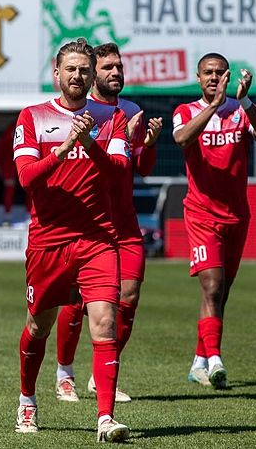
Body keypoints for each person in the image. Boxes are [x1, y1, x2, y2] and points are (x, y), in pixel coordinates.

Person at [12, 38, 131, 442]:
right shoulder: (32, 116)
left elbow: (118, 173)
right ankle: (27, 400)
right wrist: (65, 147)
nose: (78, 76)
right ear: (56, 73)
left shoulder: (111, 118)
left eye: (84, 69)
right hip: (49, 241)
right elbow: (27, 177)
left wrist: (89, 143)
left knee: (105, 322)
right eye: (71, 69)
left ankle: (105, 418)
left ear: (92, 74)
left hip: (98, 238)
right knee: (38, 326)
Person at [53, 42, 162, 404]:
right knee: (75, 300)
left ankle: (101, 377)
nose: (116, 73)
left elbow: (140, 169)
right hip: (87, 222)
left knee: (129, 297)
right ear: (92, 74)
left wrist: (147, 144)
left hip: (125, 223)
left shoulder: (131, 111)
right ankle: (64, 373)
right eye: (108, 68)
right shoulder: (79, 113)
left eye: (119, 67)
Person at [172, 53, 256, 389]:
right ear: (198, 77)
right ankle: (216, 360)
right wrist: (214, 106)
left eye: (219, 73)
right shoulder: (186, 111)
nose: (213, 78)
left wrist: (244, 102)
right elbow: (182, 139)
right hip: (201, 214)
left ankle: (199, 362)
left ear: (228, 76)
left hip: (237, 215)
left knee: (221, 293)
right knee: (212, 287)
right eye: (208, 73)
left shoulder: (240, 112)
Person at [0, 122, 18, 226]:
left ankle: (29, 215)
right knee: (9, 187)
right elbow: (2, 145)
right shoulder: (11, 128)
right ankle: (7, 217)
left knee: (32, 185)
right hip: (9, 160)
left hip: (28, 158)